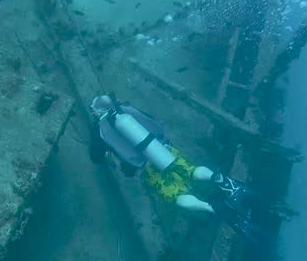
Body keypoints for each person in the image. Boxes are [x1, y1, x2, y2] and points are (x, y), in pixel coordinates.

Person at [87, 95, 264, 246]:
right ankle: (221, 180)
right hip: (163, 149)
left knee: (177, 196)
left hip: (146, 169)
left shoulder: (100, 131)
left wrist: (104, 143)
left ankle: (212, 208)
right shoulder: (125, 109)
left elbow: (96, 158)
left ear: (95, 112)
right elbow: (151, 120)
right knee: (192, 171)